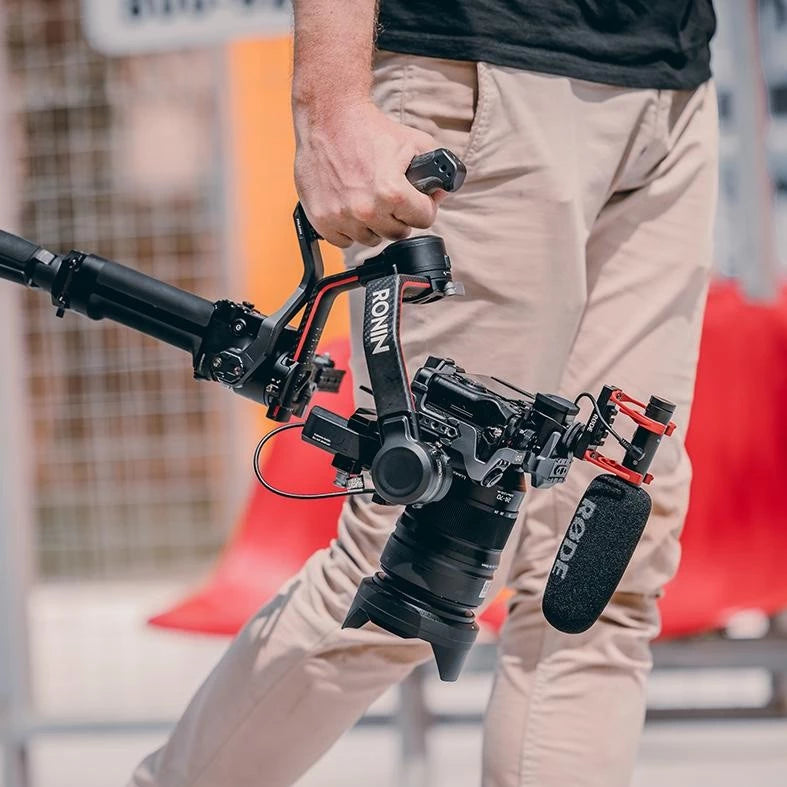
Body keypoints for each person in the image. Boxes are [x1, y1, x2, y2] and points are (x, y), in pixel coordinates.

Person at [130, 1, 718, 785]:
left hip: (671, 86)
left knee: (598, 583)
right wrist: (329, 105)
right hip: (483, 72)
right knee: (412, 569)